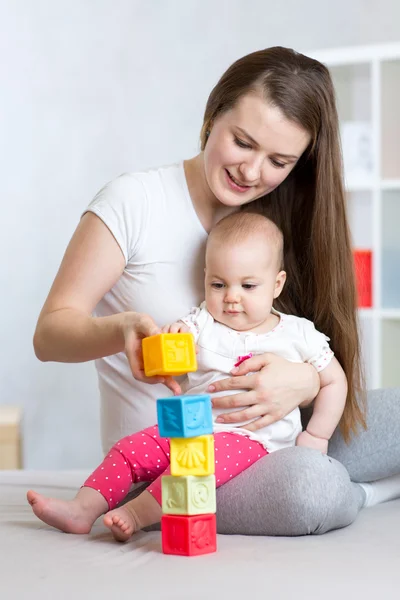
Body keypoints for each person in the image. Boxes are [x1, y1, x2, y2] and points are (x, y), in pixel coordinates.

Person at [33, 46, 400, 536]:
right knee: (310, 487)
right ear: (212, 115)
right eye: (243, 142)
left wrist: (307, 382)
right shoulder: (134, 202)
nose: (252, 173)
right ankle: (363, 492)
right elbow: (49, 335)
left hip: (274, 437)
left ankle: (348, 478)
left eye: (279, 160)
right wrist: (119, 329)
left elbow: (313, 361)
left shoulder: (273, 219)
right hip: (173, 458)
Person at [28, 212, 348, 541]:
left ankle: (136, 514)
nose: (232, 297)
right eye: (218, 284)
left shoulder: (297, 334)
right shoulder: (201, 322)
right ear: (206, 278)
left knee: (193, 466)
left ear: (277, 284)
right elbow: (171, 352)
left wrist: (318, 435)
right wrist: (171, 337)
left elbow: (335, 380)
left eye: (248, 285)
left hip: (254, 441)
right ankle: (83, 508)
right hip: (191, 427)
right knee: (130, 449)